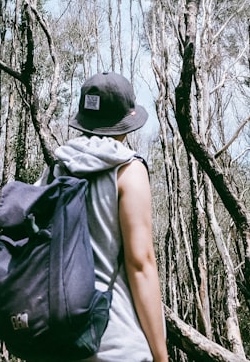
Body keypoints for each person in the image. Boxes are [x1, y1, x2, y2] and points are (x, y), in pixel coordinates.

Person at [50, 71, 169, 362]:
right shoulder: (129, 170)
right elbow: (140, 264)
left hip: (58, 342)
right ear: (124, 123)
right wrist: (161, 355)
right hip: (115, 343)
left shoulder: (56, 168)